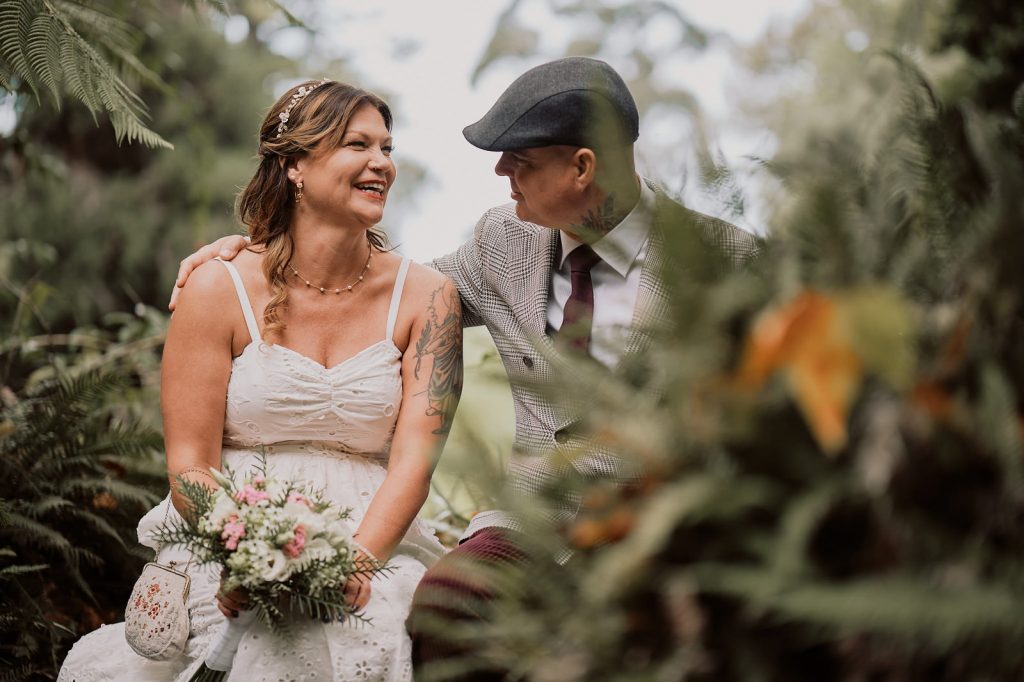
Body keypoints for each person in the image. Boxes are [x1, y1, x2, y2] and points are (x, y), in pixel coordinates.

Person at [171, 57, 761, 678]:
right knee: (449, 606)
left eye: (521, 161)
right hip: (533, 522)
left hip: (670, 526)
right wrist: (251, 254)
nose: (501, 172)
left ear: (583, 167)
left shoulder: (731, 264)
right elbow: (378, 295)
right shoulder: (504, 241)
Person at [58, 78, 462, 682]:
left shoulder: (429, 297)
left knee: (376, 633)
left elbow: (414, 462)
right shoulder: (217, 286)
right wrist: (247, 554)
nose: (382, 163)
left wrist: (355, 561)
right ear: (296, 164)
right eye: (358, 145)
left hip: (375, 537)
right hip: (226, 529)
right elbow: (190, 463)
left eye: (387, 147)